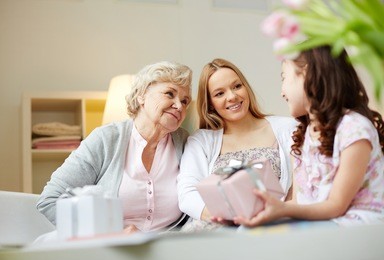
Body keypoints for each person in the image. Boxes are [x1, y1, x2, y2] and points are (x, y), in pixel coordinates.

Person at [234, 46, 384, 227]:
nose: (281, 92)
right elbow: (299, 202)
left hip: (355, 225)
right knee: (246, 230)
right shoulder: (302, 137)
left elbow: (336, 206)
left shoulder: (354, 129)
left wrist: (283, 210)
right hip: (319, 221)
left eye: (284, 78)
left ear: (307, 75)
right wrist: (257, 212)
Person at [36, 61, 193, 233]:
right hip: (109, 249)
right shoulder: (106, 139)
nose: (179, 106)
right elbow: (51, 199)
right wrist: (110, 233)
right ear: (142, 96)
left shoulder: (187, 143)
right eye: (170, 94)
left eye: (185, 101)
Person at [177, 58, 297, 224]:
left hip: (273, 227)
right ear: (210, 104)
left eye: (237, 86)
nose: (232, 96)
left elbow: (301, 191)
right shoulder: (201, 141)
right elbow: (187, 195)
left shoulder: (288, 128)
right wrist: (228, 219)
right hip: (216, 230)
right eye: (220, 93)